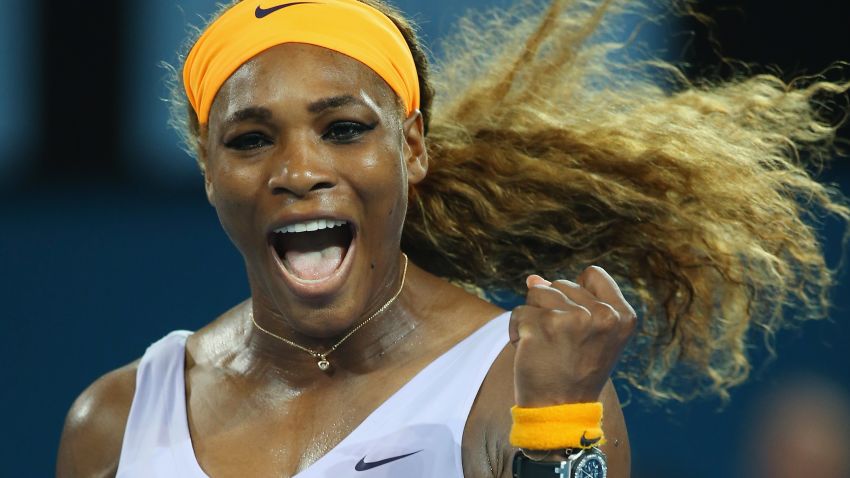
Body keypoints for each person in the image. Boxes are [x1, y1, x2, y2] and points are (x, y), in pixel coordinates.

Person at [56, 0, 849, 477]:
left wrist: (555, 431)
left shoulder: (515, 382)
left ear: (411, 149)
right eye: (250, 139)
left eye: (341, 129)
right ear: (207, 171)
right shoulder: (116, 419)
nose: (298, 170)